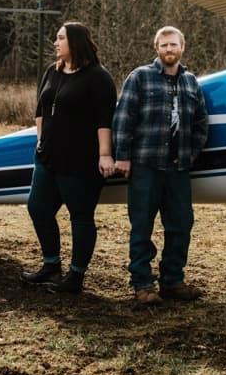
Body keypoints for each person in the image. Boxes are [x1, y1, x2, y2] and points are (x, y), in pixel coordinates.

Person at [113, 25, 209, 305]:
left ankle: (173, 281)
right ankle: (142, 284)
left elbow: (201, 122)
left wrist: (191, 154)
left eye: (174, 45)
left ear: (182, 47)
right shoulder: (140, 77)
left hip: (178, 168)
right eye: (164, 45)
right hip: (146, 164)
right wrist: (122, 156)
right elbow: (124, 118)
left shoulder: (191, 82)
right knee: (142, 225)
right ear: (157, 48)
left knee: (181, 225)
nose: (169, 49)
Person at [21, 21, 118, 294]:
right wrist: (41, 139)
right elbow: (40, 108)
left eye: (60, 38)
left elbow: (104, 121)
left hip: (80, 161)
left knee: (80, 216)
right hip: (47, 157)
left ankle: (76, 276)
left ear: (75, 42)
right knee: (38, 208)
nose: (55, 42)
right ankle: (51, 265)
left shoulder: (98, 77)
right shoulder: (52, 70)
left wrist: (105, 155)